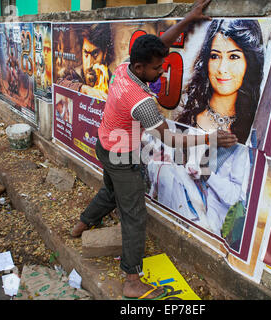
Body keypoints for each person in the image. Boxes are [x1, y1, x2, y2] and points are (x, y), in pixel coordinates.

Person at [70, 0, 238, 300]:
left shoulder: (125, 68)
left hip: (104, 145)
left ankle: (82, 224)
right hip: (123, 155)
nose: (162, 72)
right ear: (140, 68)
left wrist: (188, 19)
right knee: (134, 214)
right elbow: (171, 141)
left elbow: (157, 45)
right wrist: (212, 140)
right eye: (157, 68)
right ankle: (132, 280)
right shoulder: (141, 101)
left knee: (111, 189)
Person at [146, 19, 264, 236]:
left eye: (234, 56)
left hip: (212, 232)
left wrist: (207, 173)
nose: (222, 68)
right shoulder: (187, 115)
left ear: (250, 62)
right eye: (215, 56)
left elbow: (238, 199)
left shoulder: (253, 132)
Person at [56, 23, 113, 100]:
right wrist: (83, 89)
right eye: (86, 53)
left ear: (105, 53)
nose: (89, 64)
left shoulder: (112, 80)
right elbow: (59, 84)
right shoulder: (74, 74)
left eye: (95, 54)